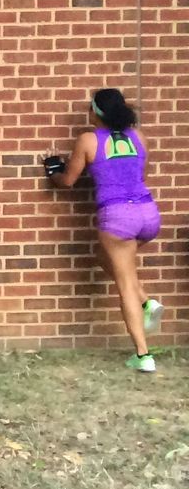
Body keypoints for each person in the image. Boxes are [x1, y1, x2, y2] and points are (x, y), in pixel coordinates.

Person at [46, 88, 163, 372]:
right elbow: (138, 175)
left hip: (118, 218)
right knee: (105, 258)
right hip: (149, 215)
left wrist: (53, 169)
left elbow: (68, 181)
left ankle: (142, 355)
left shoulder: (88, 139)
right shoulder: (139, 137)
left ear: (95, 113)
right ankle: (146, 301)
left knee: (124, 283)